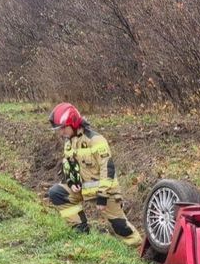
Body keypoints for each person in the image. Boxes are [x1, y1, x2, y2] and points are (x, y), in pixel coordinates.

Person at [46, 102, 142, 247]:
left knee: (121, 228)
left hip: (105, 192)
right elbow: (69, 167)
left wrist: (102, 197)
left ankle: (138, 250)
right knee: (57, 193)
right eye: (59, 129)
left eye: (63, 128)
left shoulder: (96, 140)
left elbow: (107, 169)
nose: (61, 133)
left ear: (72, 122)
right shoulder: (69, 143)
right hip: (83, 190)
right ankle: (80, 231)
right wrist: (72, 183)